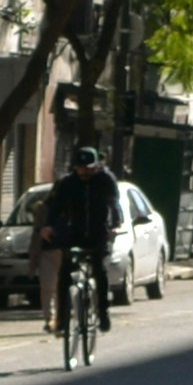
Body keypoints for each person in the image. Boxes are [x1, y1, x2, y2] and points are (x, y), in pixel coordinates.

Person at [36, 140, 127, 370]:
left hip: (98, 233)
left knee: (99, 267)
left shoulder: (106, 180)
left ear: (97, 166)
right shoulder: (67, 183)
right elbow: (55, 207)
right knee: (65, 272)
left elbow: (114, 205)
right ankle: (63, 320)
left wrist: (115, 225)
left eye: (89, 168)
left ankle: (103, 313)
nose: (84, 172)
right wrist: (49, 226)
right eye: (80, 168)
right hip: (74, 233)